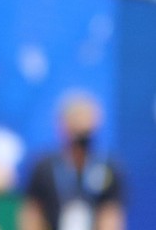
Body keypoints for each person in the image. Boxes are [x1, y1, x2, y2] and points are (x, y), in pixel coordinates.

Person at [19, 91, 125, 230]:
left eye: (85, 132)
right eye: (76, 129)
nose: (81, 139)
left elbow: (111, 215)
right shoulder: (44, 167)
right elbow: (32, 214)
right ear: (63, 128)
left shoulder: (107, 168)